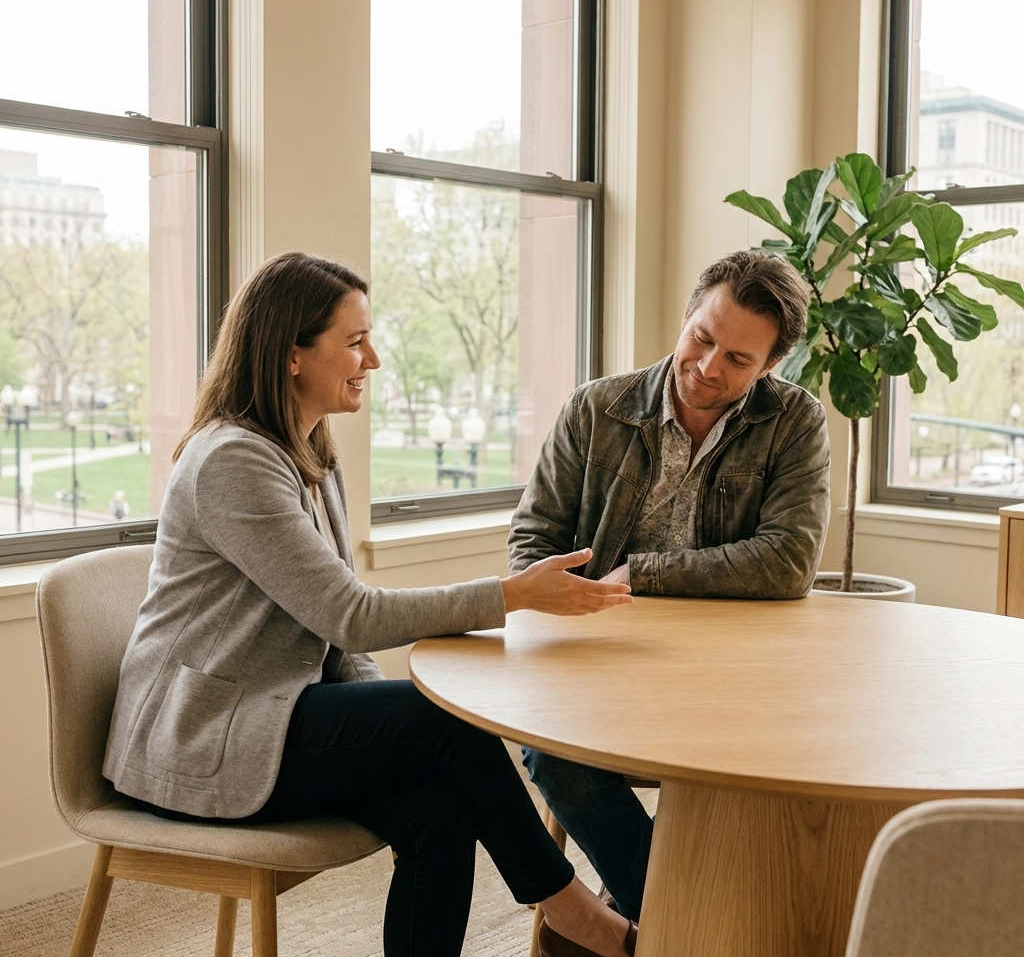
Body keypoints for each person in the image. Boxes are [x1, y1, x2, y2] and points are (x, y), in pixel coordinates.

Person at [103, 251, 637, 957]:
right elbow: (349, 613)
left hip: (273, 715)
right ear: (291, 353)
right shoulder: (233, 459)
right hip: (205, 739)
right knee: (444, 721)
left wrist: (389, 732)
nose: (374, 358)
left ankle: (576, 917)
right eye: (354, 341)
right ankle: (578, 915)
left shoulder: (309, 450)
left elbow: (338, 643)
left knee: (439, 809)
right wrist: (511, 596)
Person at [508, 249, 831, 924]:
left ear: (771, 365)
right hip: (596, 667)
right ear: (687, 316)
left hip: (734, 677)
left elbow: (789, 560)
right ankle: (680, 923)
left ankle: (674, 918)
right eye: (702, 338)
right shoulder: (595, 409)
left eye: (739, 360)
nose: (709, 367)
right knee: (552, 755)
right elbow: (532, 545)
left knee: (805, 761)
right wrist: (569, 607)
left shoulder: (795, 423)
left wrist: (644, 575)